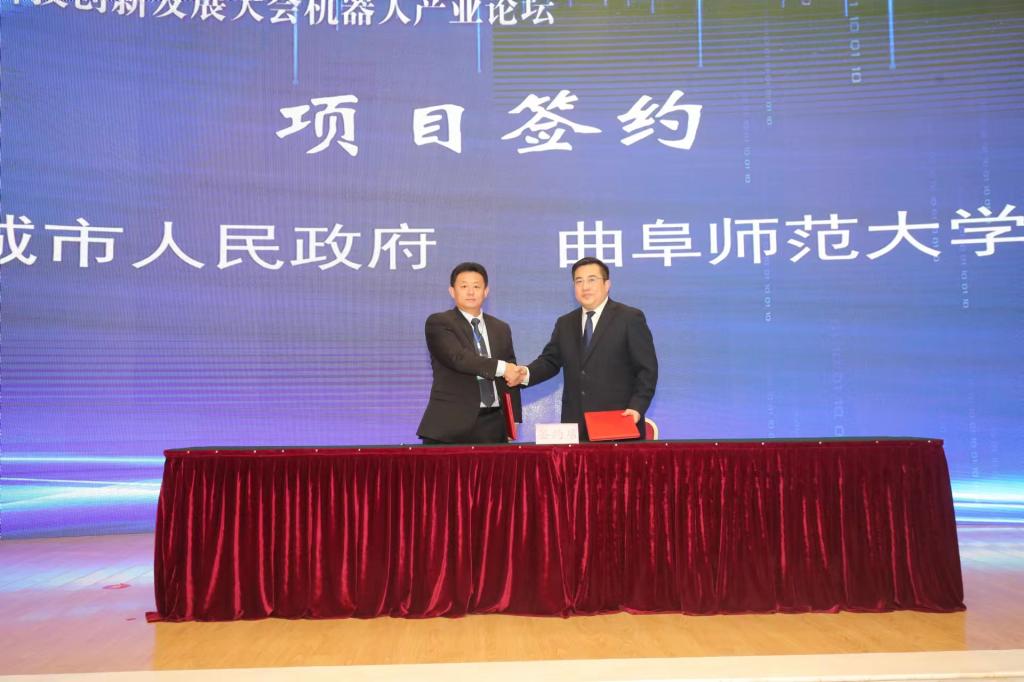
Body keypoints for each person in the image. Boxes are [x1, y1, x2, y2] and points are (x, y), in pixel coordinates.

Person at [511, 257, 658, 441]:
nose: (585, 287)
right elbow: (550, 361)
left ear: (607, 284)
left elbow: (647, 370)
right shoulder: (565, 323)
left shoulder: (629, 318)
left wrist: (636, 408)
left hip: (618, 422)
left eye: (592, 280)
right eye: (579, 281)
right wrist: (524, 374)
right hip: (576, 426)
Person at [417, 262, 524, 444]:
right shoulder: (439, 322)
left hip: (494, 425)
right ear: (452, 291)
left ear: (486, 291)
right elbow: (459, 358)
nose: (470, 292)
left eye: (476, 286)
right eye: (464, 286)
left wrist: (513, 420)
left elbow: (510, 380)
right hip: (450, 425)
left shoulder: (501, 328)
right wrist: (503, 368)